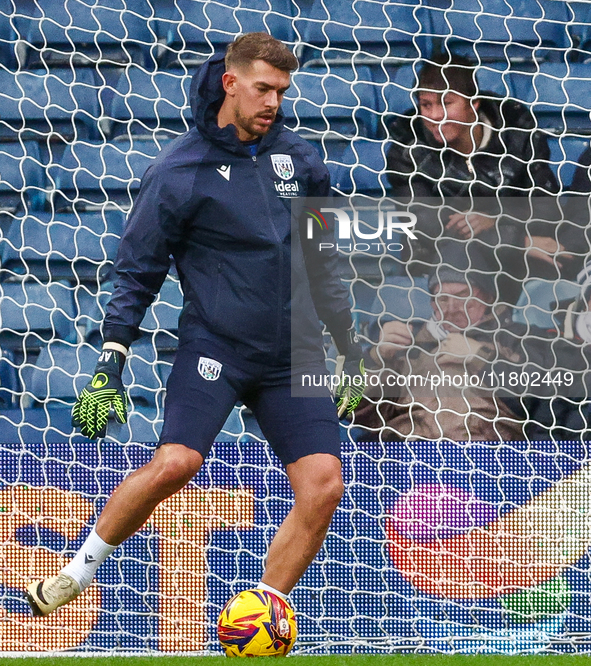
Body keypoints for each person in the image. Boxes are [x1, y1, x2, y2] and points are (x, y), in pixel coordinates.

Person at [26, 33, 365, 617]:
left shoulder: (303, 161)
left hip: (294, 354)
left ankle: (261, 616)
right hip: (217, 347)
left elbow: (323, 258)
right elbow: (138, 271)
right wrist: (110, 364)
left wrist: (349, 348)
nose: (274, 103)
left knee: (324, 486)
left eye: (283, 92)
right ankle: (75, 576)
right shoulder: (179, 170)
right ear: (231, 82)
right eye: (263, 89)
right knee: (178, 463)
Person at [385, 52, 573, 301]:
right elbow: (431, 229)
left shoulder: (518, 134)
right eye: (426, 105)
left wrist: (493, 220)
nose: (434, 116)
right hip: (441, 264)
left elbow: (546, 211)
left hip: (516, 264)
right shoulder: (408, 147)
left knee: (552, 269)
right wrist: (519, 240)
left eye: (446, 103)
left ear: (474, 102)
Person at [353, 254, 527, 442]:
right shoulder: (406, 347)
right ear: (432, 304)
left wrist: (480, 357)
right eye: (443, 299)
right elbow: (349, 409)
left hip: (488, 457)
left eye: (462, 296)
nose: (452, 308)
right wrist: (377, 357)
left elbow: (540, 404)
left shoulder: (517, 339)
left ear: (488, 298)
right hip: (409, 457)